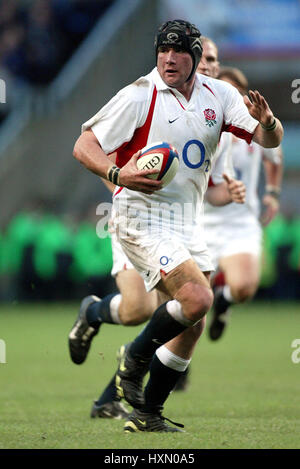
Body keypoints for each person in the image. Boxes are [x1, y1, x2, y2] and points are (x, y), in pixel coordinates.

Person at [70, 19, 283, 432]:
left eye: (179, 52)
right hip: (140, 218)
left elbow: (266, 140)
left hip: (187, 222)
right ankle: (131, 363)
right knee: (196, 299)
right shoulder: (140, 94)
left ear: (196, 57)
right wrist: (118, 175)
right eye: (163, 51)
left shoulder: (219, 95)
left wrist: (270, 122)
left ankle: (147, 414)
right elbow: (84, 145)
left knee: (192, 321)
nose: (169, 59)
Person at [204, 66, 283, 340]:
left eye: (237, 92)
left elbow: (275, 155)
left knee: (245, 288)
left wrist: (272, 192)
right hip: (201, 222)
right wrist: (219, 194)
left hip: (241, 221)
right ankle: (178, 363)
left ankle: (224, 301)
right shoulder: (204, 128)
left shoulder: (253, 128)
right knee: (190, 299)